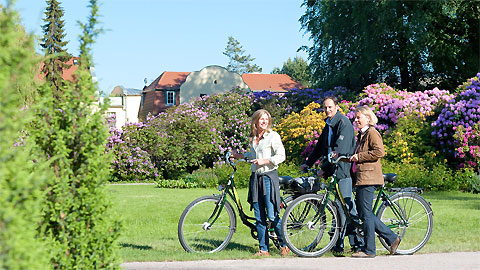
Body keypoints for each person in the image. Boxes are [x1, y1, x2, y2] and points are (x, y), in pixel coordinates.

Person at [300, 96, 363, 255]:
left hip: (343, 170)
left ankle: (358, 243)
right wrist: (308, 163)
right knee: (338, 208)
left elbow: (338, 152)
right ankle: (339, 244)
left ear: (336, 106)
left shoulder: (343, 124)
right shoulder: (329, 125)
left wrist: (325, 170)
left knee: (347, 208)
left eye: (330, 107)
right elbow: (320, 147)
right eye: (325, 107)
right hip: (334, 170)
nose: (327, 110)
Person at [232, 109, 290, 257]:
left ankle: (284, 245)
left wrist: (264, 161)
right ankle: (264, 249)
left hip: (268, 178)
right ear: (256, 121)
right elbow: (252, 155)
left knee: (272, 215)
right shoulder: (253, 138)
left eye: (266, 119)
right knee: (259, 216)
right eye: (261, 119)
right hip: (256, 178)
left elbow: (281, 155)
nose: (264, 121)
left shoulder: (273, 136)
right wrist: (237, 155)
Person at [349, 106, 400, 258]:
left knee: (366, 214)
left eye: (359, 117)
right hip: (361, 178)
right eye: (355, 117)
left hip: (368, 178)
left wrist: (359, 156)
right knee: (366, 213)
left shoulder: (372, 132)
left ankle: (370, 249)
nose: (356, 120)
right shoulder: (362, 135)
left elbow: (379, 152)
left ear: (368, 118)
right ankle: (392, 238)